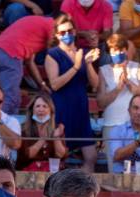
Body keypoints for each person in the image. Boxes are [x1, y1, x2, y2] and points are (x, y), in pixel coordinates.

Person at [45, 14, 101, 171]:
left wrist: (88, 64)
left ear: (75, 31)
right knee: (61, 155)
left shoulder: (83, 53)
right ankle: (64, 189)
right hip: (62, 109)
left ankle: (79, 187)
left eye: (69, 31)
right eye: (62, 32)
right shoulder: (52, 54)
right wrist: (76, 66)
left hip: (81, 111)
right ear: (56, 35)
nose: (67, 35)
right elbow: (54, 84)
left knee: (91, 157)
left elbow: (95, 84)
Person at [96, 32, 140, 163]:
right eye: (114, 50)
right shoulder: (103, 70)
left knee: (137, 163)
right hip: (111, 124)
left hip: (134, 124)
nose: (118, 53)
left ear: (126, 50)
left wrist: (129, 83)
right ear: (109, 52)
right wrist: (118, 89)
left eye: (121, 50)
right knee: (113, 164)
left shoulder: (138, 68)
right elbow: (100, 102)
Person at [0, 14, 57, 115]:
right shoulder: (50, 24)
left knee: (9, 96)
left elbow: (30, 62)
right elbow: (53, 52)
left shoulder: (38, 28)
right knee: (11, 98)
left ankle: (6, 126)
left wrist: (41, 84)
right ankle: (0, 127)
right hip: (11, 54)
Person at [17, 93, 69, 171]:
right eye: (38, 106)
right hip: (28, 172)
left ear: (50, 111)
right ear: (32, 110)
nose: (41, 109)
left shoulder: (57, 129)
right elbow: (26, 155)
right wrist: (42, 139)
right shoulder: (23, 129)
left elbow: (61, 155)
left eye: (45, 106)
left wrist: (56, 137)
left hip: (52, 173)